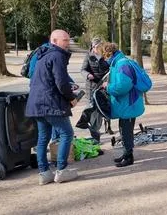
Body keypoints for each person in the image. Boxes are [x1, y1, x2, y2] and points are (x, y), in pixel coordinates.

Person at [26, 29, 79, 185]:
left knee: (43, 137)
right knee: (67, 133)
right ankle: (61, 170)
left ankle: (44, 173)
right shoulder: (57, 55)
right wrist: (71, 98)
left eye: (68, 40)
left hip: (36, 103)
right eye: (65, 41)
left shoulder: (43, 55)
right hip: (49, 102)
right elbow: (61, 83)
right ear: (54, 41)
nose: (67, 44)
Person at [99, 42, 146, 168]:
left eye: (104, 56)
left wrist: (107, 87)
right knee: (124, 129)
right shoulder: (119, 62)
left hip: (129, 103)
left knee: (126, 131)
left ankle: (129, 156)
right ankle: (126, 153)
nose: (104, 59)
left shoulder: (121, 64)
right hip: (127, 103)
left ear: (108, 54)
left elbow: (122, 87)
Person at [76, 37, 110, 143]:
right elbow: (82, 70)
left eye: (100, 46)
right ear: (93, 46)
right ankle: (95, 135)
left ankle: (107, 127)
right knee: (95, 111)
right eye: (96, 46)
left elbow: (110, 68)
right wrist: (88, 75)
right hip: (92, 87)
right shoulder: (89, 56)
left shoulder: (105, 56)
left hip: (104, 87)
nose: (98, 48)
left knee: (104, 108)